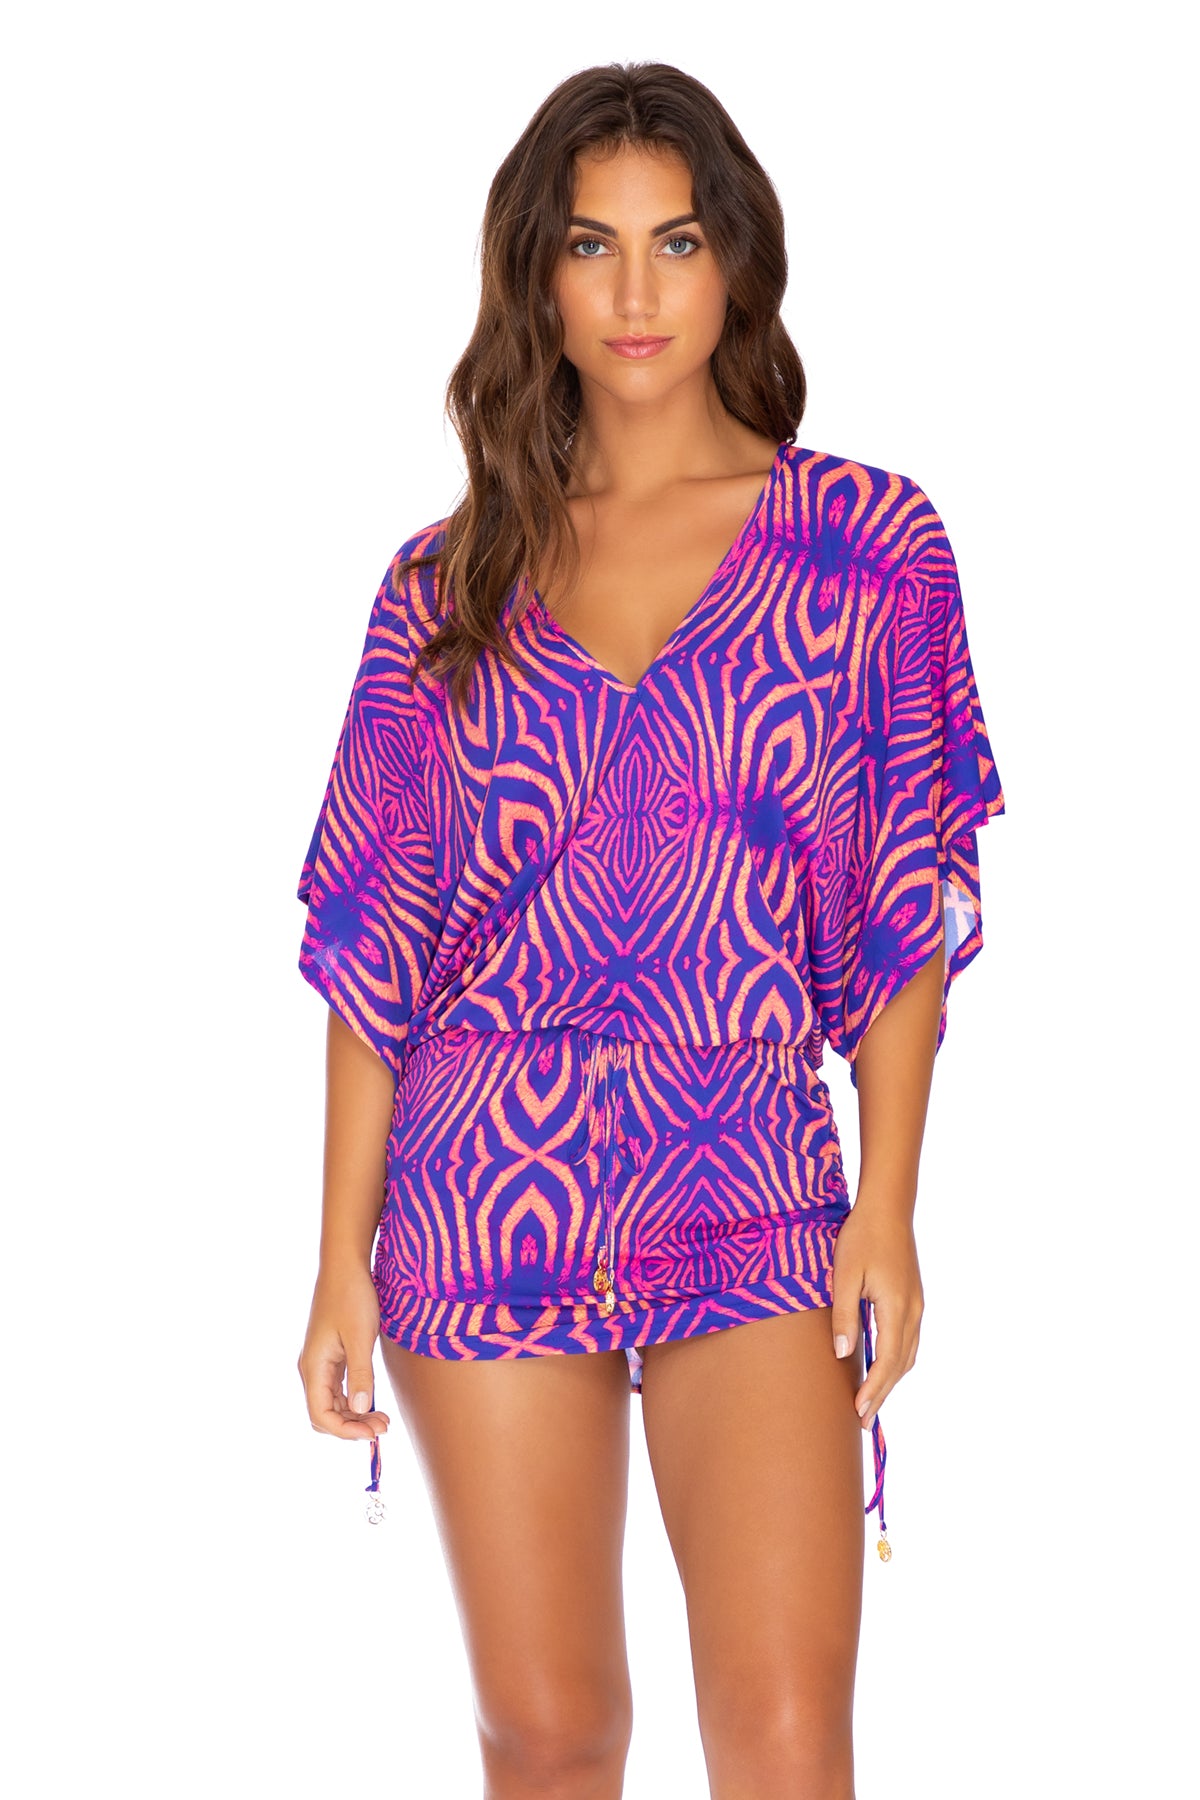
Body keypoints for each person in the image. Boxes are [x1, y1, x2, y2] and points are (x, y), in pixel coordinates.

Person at [294, 59, 1005, 1800]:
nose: (634, 292)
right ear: (535, 277)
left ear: (735, 261)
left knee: (785, 1738)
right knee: (552, 1736)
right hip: (482, 1181)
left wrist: (890, 1205)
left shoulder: (865, 551)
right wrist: (335, 1256)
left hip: (743, 1161)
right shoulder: (443, 587)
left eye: (676, 242)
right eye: (590, 245)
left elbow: (904, 904)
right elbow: (380, 942)